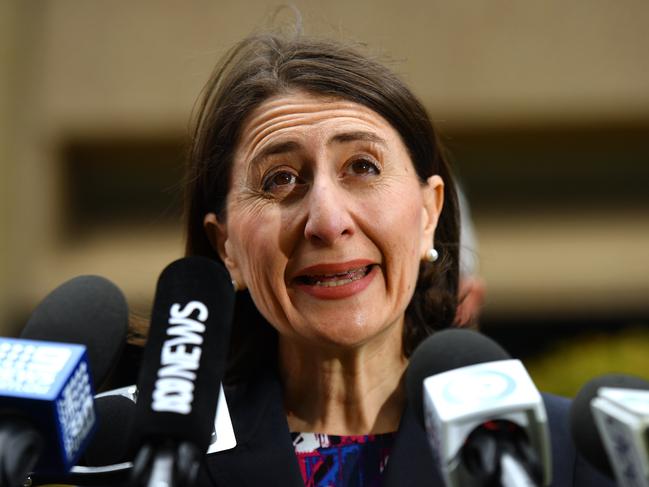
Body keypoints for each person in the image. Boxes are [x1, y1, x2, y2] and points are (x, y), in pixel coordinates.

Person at [181, 32, 612, 487]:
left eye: (362, 167)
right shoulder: (153, 459)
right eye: (280, 179)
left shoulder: (570, 457)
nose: (328, 221)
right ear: (224, 246)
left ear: (429, 213)